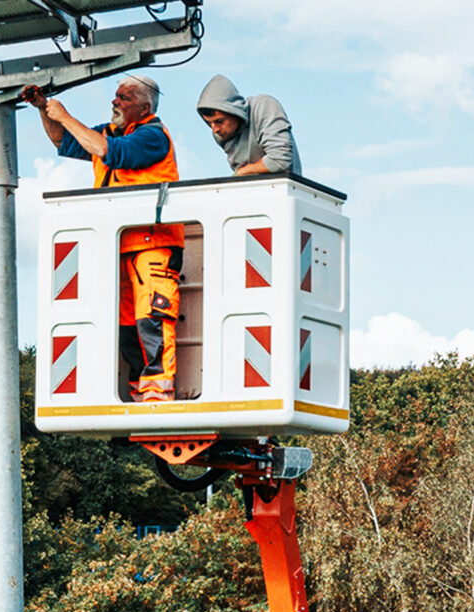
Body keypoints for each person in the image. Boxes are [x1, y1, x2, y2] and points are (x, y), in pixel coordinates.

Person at [28, 76, 185, 402]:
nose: (115, 102)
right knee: (128, 323)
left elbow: (108, 152)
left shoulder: (153, 137)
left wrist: (65, 115)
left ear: (145, 107)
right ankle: (139, 393)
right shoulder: (112, 132)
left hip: (152, 244)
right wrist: (45, 109)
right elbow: (65, 142)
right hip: (121, 244)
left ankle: (159, 392)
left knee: (152, 317)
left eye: (124, 98)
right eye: (115, 96)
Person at [195, 74, 298, 176]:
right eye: (209, 123)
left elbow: (280, 160)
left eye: (219, 121)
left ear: (234, 112)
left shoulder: (263, 108)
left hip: (282, 189)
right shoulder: (222, 134)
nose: (215, 130)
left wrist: (243, 171)